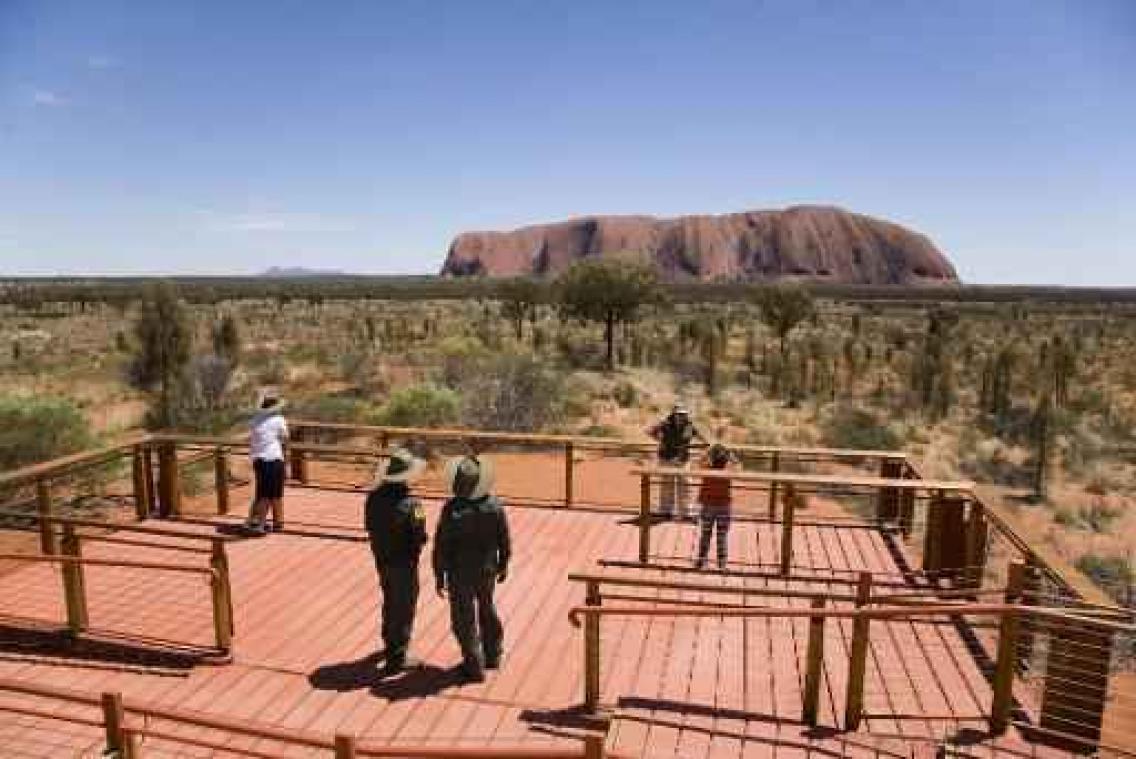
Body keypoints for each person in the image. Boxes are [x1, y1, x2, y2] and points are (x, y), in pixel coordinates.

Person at [433, 456, 510, 682]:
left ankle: (474, 665)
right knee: (487, 608)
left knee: (463, 618)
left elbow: (441, 545)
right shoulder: (495, 506)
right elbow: (504, 539)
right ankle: (493, 655)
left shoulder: (452, 509)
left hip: (459, 573)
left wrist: (439, 575)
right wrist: (504, 564)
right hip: (487, 570)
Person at [364, 448, 429, 676]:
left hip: (382, 558)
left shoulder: (373, 498)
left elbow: (369, 527)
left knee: (390, 599)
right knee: (403, 607)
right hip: (404, 563)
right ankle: (397, 656)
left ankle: (389, 641)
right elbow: (420, 536)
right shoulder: (413, 504)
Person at [647, 403, 708, 521]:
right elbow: (649, 431)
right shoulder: (665, 424)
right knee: (666, 484)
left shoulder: (689, 426)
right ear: (673, 414)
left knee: (686, 484)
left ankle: (687, 512)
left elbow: (702, 438)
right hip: (666, 458)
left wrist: (704, 444)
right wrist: (660, 441)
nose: (681, 416)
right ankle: (666, 511)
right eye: (679, 414)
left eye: (683, 414)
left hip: (682, 459)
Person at [245, 392, 288, 535]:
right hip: (273, 459)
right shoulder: (279, 419)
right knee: (269, 494)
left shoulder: (255, 420)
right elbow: (285, 437)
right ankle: (260, 525)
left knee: (262, 492)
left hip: (258, 460)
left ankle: (253, 520)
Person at [695, 444, 735, 570]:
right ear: (725, 460)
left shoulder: (706, 469)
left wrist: (708, 451)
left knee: (705, 534)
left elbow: (699, 461)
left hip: (707, 505)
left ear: (711, 458)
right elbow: (738, 465)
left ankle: (701, 561)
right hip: (724, 506)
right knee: (722, 535)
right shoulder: (728, 471)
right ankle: (722, 563)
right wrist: (730, 454)